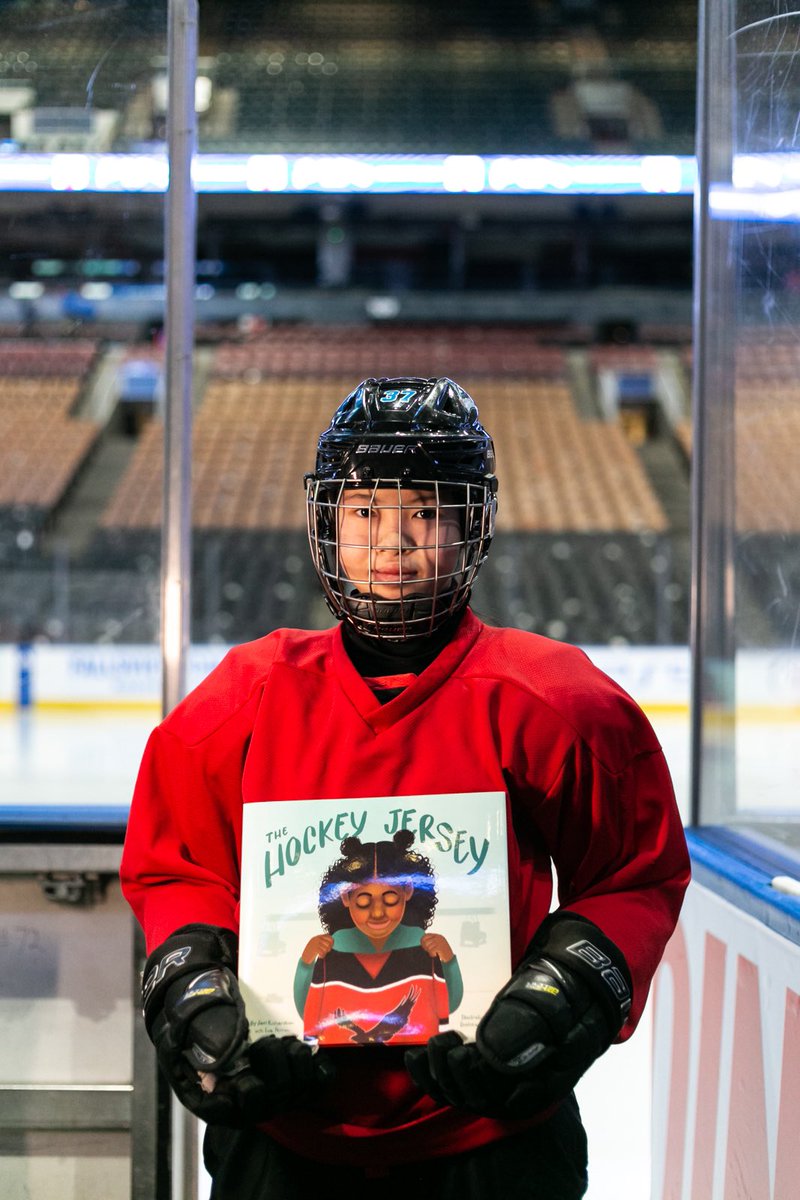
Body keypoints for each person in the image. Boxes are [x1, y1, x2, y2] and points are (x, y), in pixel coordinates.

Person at [120, 375, 690, 1200]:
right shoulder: (243, 699)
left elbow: (634, 874)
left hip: (494, 1138)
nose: (394, 542)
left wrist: (563, 996)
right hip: (285, 1135)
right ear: (327, 526)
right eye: (364, 513)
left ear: (471, 527)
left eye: (426, 512)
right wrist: (194, 990)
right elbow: (177, 868)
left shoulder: (554, 701)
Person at [296, 829, 463, 1045]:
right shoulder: (331, 950)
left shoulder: (423, 947)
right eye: (364, 901)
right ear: (346, 897)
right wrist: (306, 964)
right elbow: (307, 1011)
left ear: (408, 891)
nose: (377, 913)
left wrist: (448, 959)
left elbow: (448, 1006)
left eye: (390, 898)